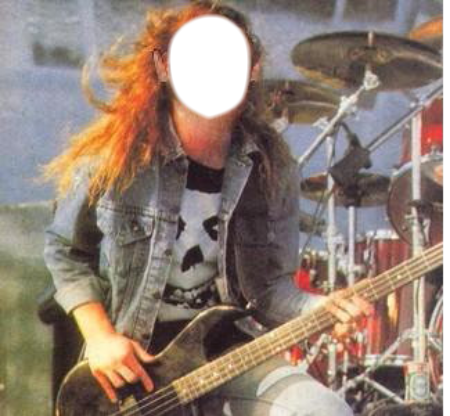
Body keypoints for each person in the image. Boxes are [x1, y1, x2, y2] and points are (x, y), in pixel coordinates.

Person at [43, 2, 372, 415]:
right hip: (136, 367)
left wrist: (322, 309)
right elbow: (66, 251)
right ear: (164, 66)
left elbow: (272, 289)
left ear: (252, 70)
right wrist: (100, 338)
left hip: (229, 357)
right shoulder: (116, 154)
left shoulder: (272, 167)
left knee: (322, 409)